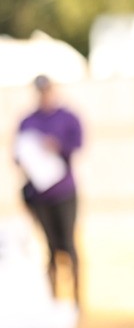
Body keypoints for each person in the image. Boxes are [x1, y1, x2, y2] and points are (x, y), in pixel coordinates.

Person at [14, 75, 84, 310]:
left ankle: (77, 300)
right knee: (50, 248)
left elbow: (78, 144)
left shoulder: (67, 117)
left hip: (64, 191)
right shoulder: (28, 121)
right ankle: (54, 301)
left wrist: (57, 146)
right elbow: (17, 155)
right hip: (40, 195)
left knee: (69, 245)